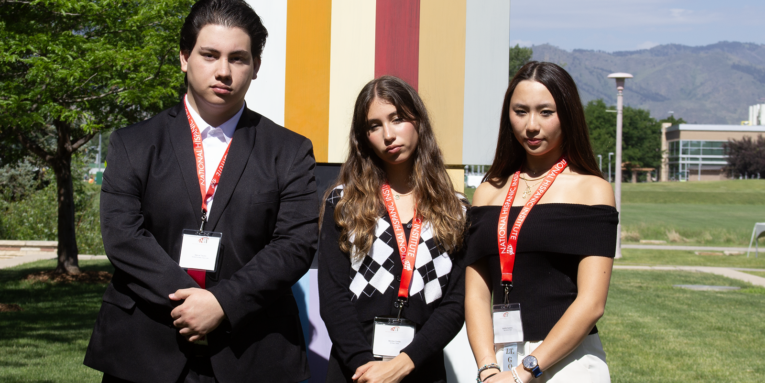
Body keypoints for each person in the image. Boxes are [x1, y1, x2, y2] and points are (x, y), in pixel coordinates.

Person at [83, 1, 318, 382]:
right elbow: (123, 236)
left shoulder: (289, 151)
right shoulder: (134, 144)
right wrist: (193, 302)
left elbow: (295, 244)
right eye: (210, 55)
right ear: (184, 58)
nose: (223, 71)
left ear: (256, 67)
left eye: (238, 59)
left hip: (249, 349)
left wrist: (222, 303)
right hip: (145, 347)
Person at [465, 61, 617, 383]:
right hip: (498, 362)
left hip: (569, 363)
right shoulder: (487, 193)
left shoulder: (592, 190)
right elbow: (476, 295)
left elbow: (592, 303)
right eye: (520, 111)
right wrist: (488, 368)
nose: (531, 125)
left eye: (545, 112)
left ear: (568, 115)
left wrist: (525, 371)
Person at [318, 76, 468, 383]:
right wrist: (365, 367)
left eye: (397, 119)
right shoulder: (344, 202)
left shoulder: (457, 211)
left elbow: (454, 306)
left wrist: (402, 365)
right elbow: (333, 299)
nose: (388, 134)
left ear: (418, 122)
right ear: (363, 137)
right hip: (354, 373)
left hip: (422, 370)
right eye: (374, 125)